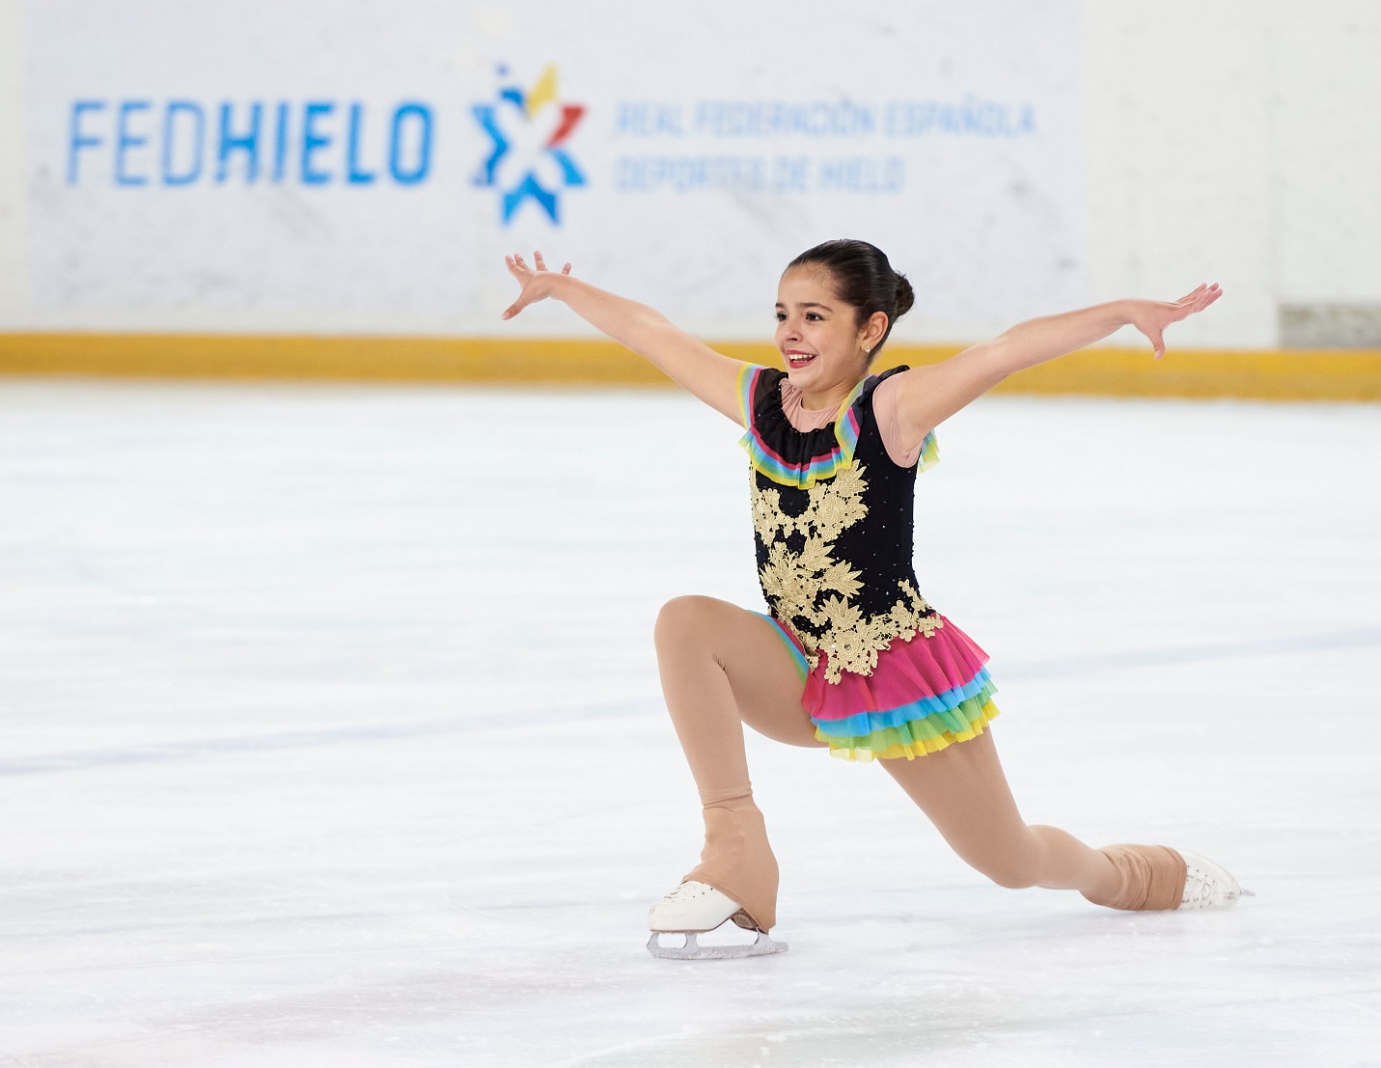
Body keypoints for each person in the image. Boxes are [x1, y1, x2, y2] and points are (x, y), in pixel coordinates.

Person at [500, 241, 1239, 960]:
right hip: (794, 664)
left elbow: (1006, 349)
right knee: (686, 621)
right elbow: (652, 333)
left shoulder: (893, 408)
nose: (792, 331)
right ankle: (735, 850)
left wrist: (1119, 311)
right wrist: (564, 290)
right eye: (784, 313)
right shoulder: (761, 403)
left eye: (815, 316)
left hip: (893, 676)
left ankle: (1133, 874)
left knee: (1009, 860)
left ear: (870, 329)